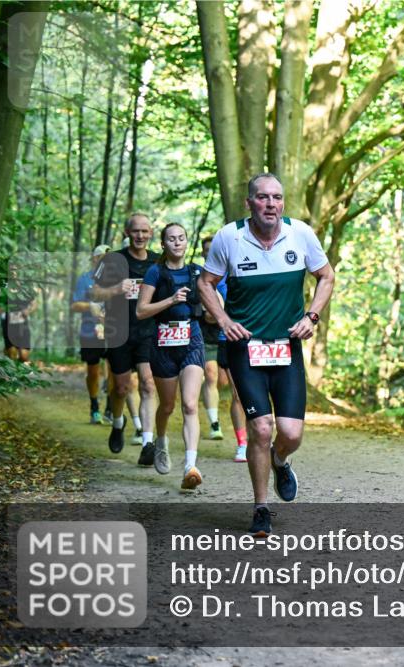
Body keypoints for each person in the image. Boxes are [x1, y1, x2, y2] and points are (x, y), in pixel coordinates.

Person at [199, 173, 335, 536]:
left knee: (290, 434)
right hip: (246, 350)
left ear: (283, 203)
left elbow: (326, 276)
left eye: (276, 197)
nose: (270, 204)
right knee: (261, 428)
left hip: (286, 347)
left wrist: (312, 316)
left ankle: (280, 460)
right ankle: (261, 507)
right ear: (250, 203)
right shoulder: (230, 237)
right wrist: (224, 319)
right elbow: (205, 283)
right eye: (262, 197)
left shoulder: (301, 234)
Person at [136, 223, 206, 489]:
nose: (177, 243)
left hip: (192, 340)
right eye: (171, 239)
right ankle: (161, 441)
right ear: (163, 244)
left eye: (181, 238)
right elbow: (141, 311)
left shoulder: (196, 271)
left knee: (189, 404)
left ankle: (190, 465)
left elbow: (211, 304)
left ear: (187, 242)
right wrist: (171, 301)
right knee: (167, 406)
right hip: (163, 343)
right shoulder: (155, 271)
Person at [92, 213, 159, 460]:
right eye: (135, 231)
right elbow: (95, 293)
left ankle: (148, 443)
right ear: (127, 233)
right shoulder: (112, 260)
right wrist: (115, 289)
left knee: (148, 383)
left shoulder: (157, 261)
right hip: (118, 331)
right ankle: (118, 424)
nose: (140, 236)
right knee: (121, 388)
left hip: (148, 332)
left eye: (144, 231)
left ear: (151, 233)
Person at [201, 235, 249, 462]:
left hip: (261, 339)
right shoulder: (213, 281)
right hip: (228, 339)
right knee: (238, 394)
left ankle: (262, 436)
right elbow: (209, 316)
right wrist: (216, 315)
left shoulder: (251, 270)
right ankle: (242, 444)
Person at [70, 245, 110, 423]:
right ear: (94, 259)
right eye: (101, 257)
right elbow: (75, 305)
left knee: (115, 370)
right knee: (93, 371)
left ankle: (111, 408)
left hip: (114, 331)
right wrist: (90, 306)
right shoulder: (84, 279)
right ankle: (94, 408)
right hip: (90, 331)